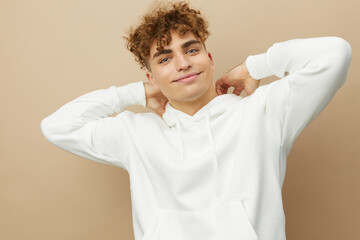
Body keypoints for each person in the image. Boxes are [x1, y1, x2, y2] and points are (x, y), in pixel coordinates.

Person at [40, 1, 352, 240]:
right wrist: (134, 93)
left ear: (209, 58)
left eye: (191, 49)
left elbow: (334, 54)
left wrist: (255, 66)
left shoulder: (262, 113)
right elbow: (57, 126)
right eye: (165, 58)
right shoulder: (135, 134)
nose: (183, 63)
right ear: (151, 76)